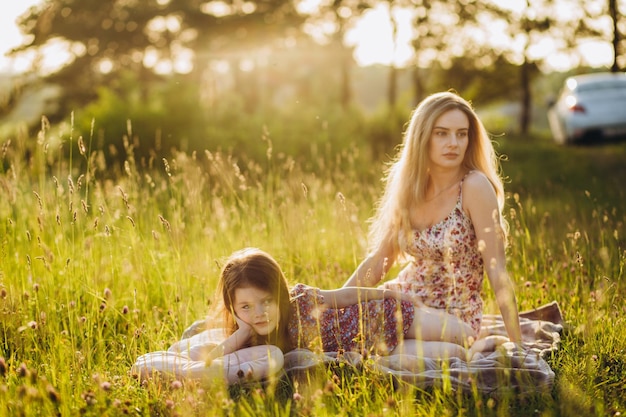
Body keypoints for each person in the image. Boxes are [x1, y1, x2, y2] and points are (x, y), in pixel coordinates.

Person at [134, 247, 483, 384]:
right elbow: (216, 356)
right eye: (245, 307)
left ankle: (466, 326)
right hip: (379, 348)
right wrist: (240, 328)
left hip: (391, 317)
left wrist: (386, 293)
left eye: (266, 302)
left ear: (280, 294)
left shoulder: (300, 299)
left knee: (465, 334)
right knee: (455, 356)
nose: (258, 313)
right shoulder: (251, 337)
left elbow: (343, 295)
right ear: (233, 307)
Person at [343, 91, 522, 345]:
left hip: (452, 319)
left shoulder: (474, 187)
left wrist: (520, 345)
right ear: (423, 137)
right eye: (442, 133)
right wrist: (335, 304)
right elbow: (380, 260)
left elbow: (497, 270)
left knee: (379, 333)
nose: (454, 143)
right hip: (402, 301)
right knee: (341, 324)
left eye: (462, 134)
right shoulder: (411, 187)